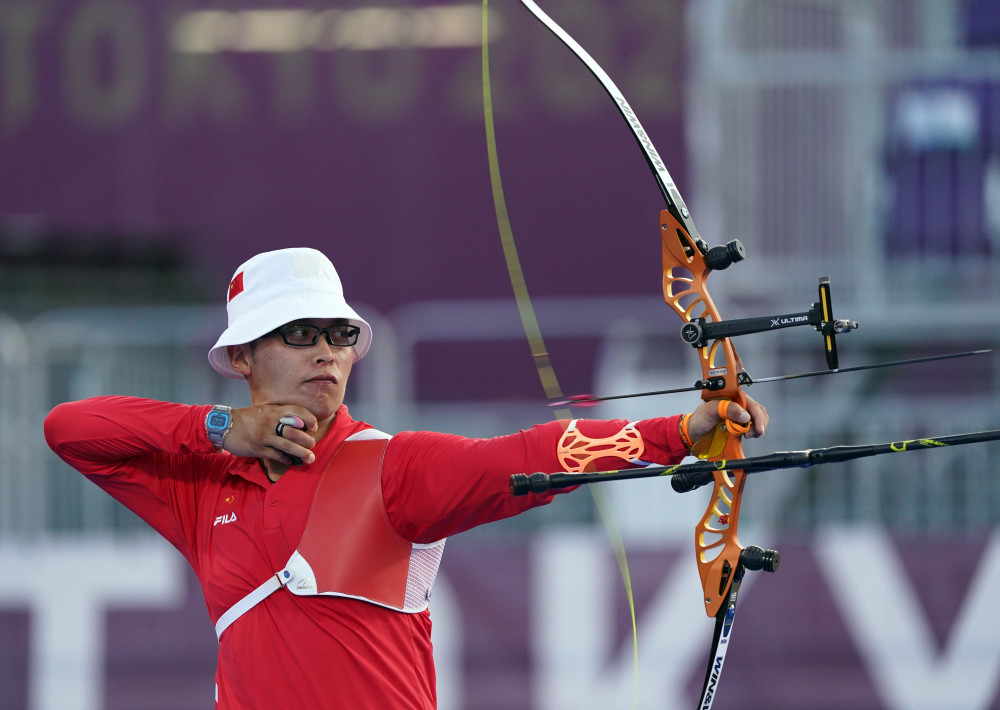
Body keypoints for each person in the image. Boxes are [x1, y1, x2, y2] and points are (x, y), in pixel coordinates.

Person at [44, 247, 768, 709]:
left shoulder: (390, 467)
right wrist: (218, 428)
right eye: (299, 334)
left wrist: (675, 432)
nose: (326, 352)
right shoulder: (203, 486)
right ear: (242, 358)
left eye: (339, 334)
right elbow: (69, 429)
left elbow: (523, 456)